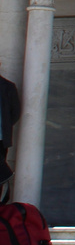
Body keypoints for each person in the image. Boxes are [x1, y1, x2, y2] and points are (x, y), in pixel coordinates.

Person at [0, 60, 19, 204]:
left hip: (1, 140)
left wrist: (5, 127)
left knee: (1, 175)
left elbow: (15, 113)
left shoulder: (8, 87)